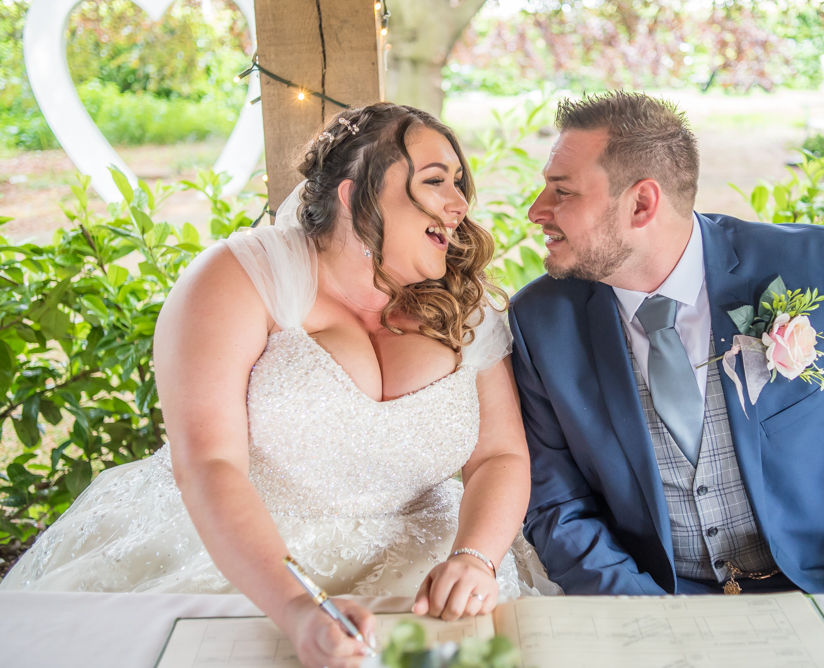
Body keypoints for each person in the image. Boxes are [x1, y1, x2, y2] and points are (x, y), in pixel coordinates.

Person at [2, 102, 557, 667]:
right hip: (241, 558)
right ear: (354, 196)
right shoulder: (240, 278)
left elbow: (499, 456)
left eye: (459, 183)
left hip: (429, 567)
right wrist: (294, 608)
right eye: (435, 181)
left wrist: (476, 557)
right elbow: (210, 464)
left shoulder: (466, 305)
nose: (459, 204)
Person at [508, 90, 824, 596]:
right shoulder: (541, 321)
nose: (536, 211)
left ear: (641, 203)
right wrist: (651, 617)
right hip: (658, 603)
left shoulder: (809, 268)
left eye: (562, 192)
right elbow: (557, 506)